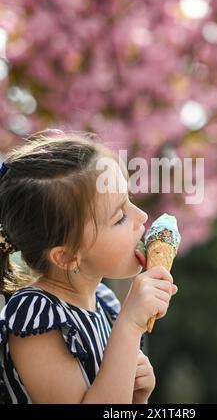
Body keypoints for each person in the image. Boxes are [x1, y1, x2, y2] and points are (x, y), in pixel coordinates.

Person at [0, 129, 178, 404]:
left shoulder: (105, 302)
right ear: (67, 256)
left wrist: (137, 398)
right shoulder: (34, 315)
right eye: (119, 217)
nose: (141, 217)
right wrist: (129, 326)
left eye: (130, 199)